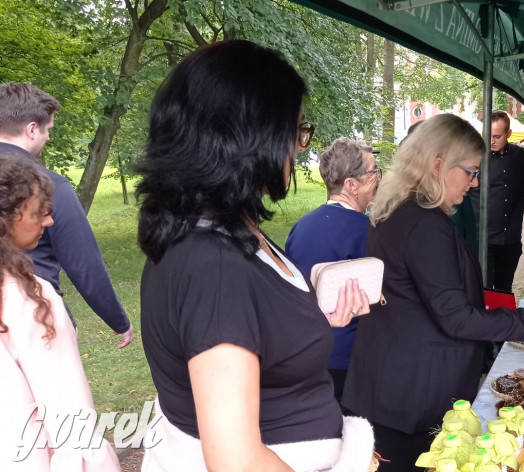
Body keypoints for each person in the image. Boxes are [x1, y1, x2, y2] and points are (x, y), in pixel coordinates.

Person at [136, 40, 376, 471]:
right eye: (297, 130)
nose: (300, 148)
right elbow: (237, 461)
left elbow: (243, 337)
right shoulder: (214, 266)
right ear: (251, 138)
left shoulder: (222, 229)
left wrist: (315, 322)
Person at [342, 114, 524, 471]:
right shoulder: (422, 222)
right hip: (410, 393)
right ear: (438, 164)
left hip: (395, 383)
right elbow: (456, 316)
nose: (474, 183)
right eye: (470, 171)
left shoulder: (405, 211)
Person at [0, 154, 120, 471]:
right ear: (7, 218)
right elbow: (69, 420)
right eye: (40, 212)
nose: (50, 221)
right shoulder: (30, 301)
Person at [0, 82, 133, 348]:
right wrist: (119, 320)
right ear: (32, 129)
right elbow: (83, 263)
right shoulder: (48, 185)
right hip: (38, 319)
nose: (48, 138)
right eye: (48, 129)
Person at [286, 137, 380, 408]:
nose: (378, 177)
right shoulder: (366, 231)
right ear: (351, 185)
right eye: (373, 171)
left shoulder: (301, 226)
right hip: (349, 357)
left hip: (308, 351)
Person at [466, 110, 524, 291]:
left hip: (510, 240)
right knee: (484, 293)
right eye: (488, 135)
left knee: (504, 291)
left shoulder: (520, 156)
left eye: (497, 136)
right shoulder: (474, 157)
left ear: (509, 134)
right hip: (482, 241)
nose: (491, 141)